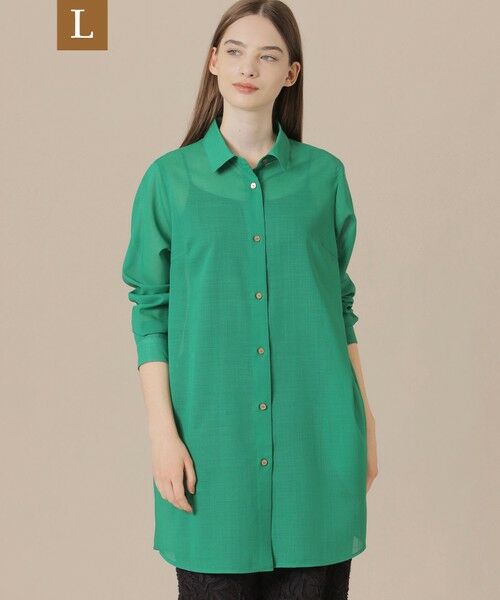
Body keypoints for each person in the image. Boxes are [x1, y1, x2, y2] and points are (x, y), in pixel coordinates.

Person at [121, 0, 378, 598]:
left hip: (317, 445)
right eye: (235, 52)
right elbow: (151, 311)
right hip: (212, 449)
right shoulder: (169, 181)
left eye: (268, 56)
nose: (248, 68)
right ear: (213, 61)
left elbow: (337, 306)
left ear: (291, 73)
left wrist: (364, 422)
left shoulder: (324, 178)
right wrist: (162, 434)